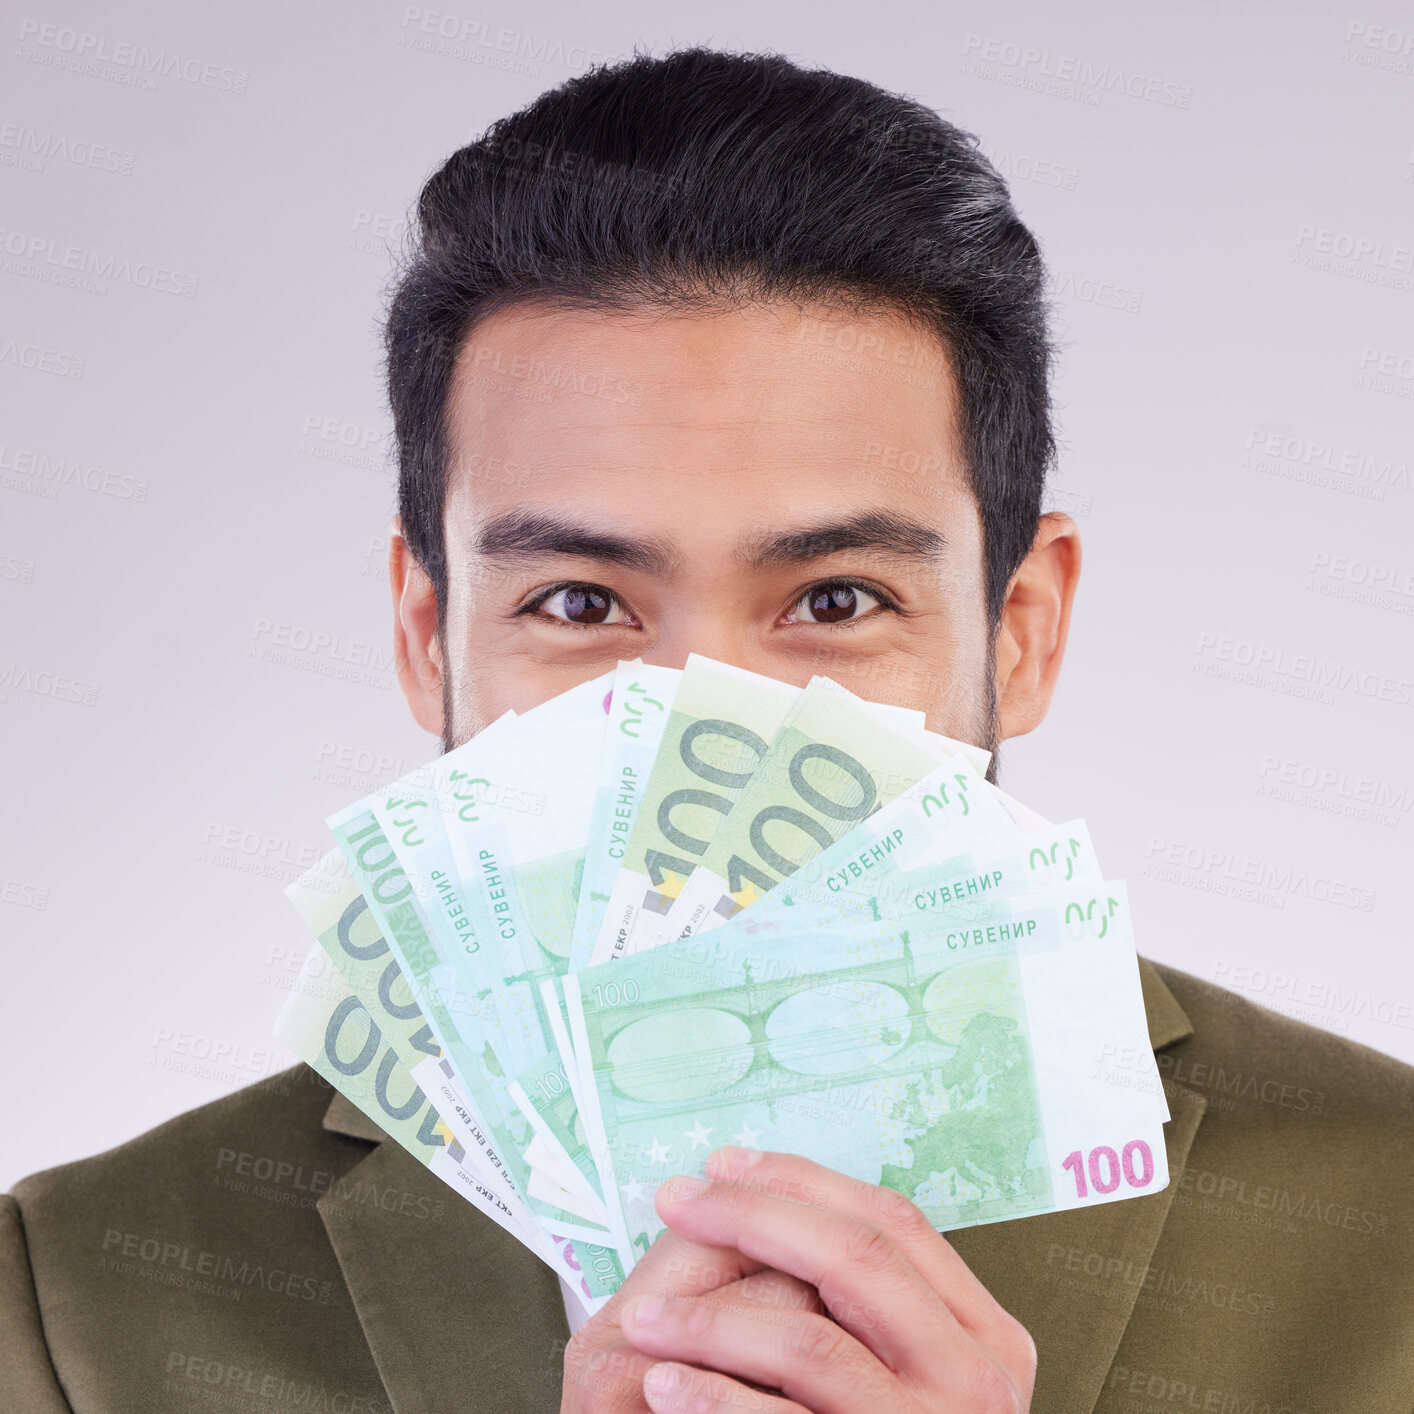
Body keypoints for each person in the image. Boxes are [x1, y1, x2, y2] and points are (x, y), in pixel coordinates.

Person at [5, 46, 1412, 1414]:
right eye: (577, 600)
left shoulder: (1386, 1231)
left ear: (1021, 629)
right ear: (427, 634)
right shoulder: (79, 1300)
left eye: (836, 597)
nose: (697, 720)